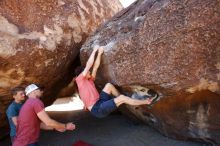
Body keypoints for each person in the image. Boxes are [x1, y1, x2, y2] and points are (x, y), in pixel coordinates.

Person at [74, 46, 154, 118]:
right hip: (97, 109)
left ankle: (124, 99)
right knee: (122, 98)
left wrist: (99, 53)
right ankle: (146, 102)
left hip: (100, 101)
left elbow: (95, 68)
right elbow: (89, 65)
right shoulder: (79, 80)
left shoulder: (90, 80)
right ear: (82, 74)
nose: (89, 72)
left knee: (109, 86)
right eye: (87, 72)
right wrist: (94, 50)